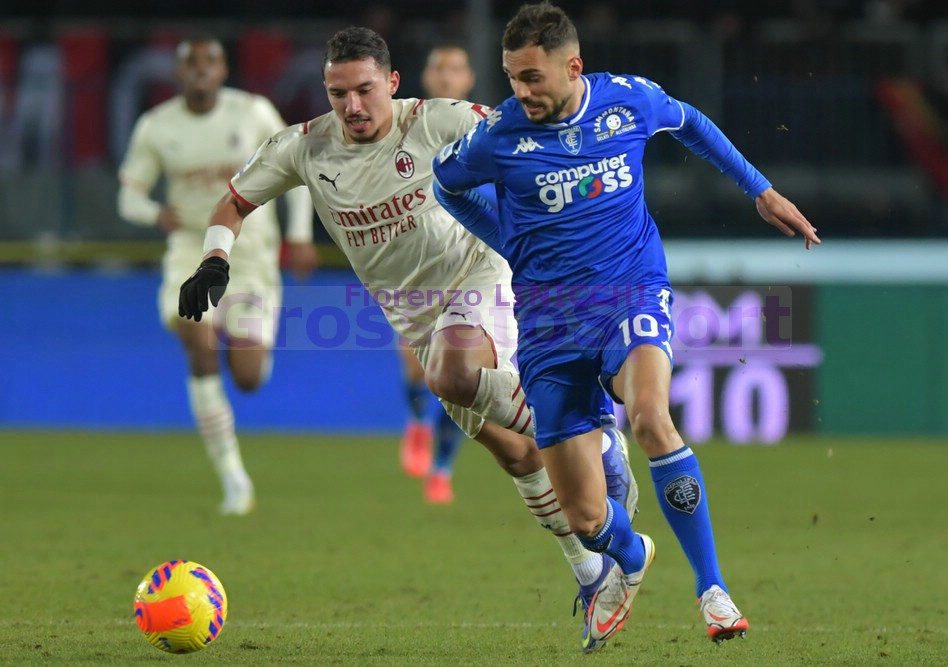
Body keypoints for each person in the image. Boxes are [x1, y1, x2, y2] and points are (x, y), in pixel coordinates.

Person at [176, 26, 638, 649]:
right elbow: (233, 202)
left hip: (478, 274)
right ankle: (591, 572)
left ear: (392, 83)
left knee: (452, 373)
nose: (352, 106)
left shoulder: (436, 120)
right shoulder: (303, 147)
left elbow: (524, 134)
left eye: (365, 90)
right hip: (415, 317)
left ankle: (594, 437)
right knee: (515, 455)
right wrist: (215, 259)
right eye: (338, 93)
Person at [433, 0, 821, 650]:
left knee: (649, 416)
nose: (520, 91)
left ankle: (713, 589)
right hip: (548, 322)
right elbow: (446, 184)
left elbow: (692, 123)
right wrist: (508, 240)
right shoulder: (498, 136)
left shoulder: (627, 100)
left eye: (532, 77)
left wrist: (760, 190)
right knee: (587, 519)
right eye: (512, 77)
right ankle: (632, 553)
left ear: (573, 68)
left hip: (629, 291)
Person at [117, 34, 318, 515]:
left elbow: (297, 172)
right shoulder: (156, 126)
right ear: (178, 72)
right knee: (199, 342)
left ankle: (250, 353)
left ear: (224, 69)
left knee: (247, 377)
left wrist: (300, 236)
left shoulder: (253, 113)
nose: (201, 69)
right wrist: (154, 213)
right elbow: (129, 196)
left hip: (250, 255)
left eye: (210, 61)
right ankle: (233, 477)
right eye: (191, 62)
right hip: (191, 250)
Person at [397, 43, 478, 503]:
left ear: (468, 79)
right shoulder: (405, 129)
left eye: (456, 69)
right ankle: (416, 422)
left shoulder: (482, 130)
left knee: (461, 370)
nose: (447, 76)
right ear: (427, 77)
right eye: (439, 68)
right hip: (416, 261)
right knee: (416, 364)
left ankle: (442, 467)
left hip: (470, 262)